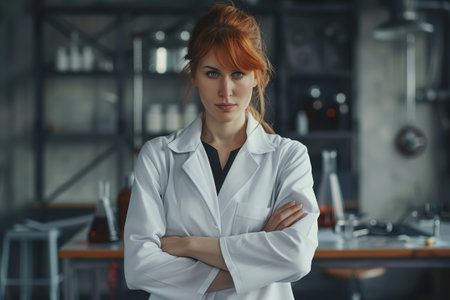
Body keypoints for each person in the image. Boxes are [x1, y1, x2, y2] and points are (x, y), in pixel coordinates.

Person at [124, 3, 319, 299]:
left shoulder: (288, 157)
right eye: (212, 73)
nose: (226, 90)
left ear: (256, 75)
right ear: (194, 75)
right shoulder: (158, 157)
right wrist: (258, 255)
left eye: (238, 73)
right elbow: (139, 267)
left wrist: (188, 245)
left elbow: (296, 257)